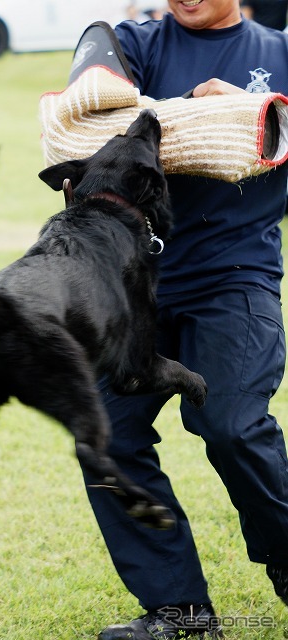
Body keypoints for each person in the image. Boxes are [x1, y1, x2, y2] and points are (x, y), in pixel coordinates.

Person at [77, 1, 288, 638]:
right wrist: (203, 114)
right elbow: (89, 123)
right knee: (104, 436)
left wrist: (253, 115)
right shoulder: (136, 43)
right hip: (136, 283)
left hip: (235, 277)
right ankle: (180, 612)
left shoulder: (278, 54)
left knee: (229, 423)